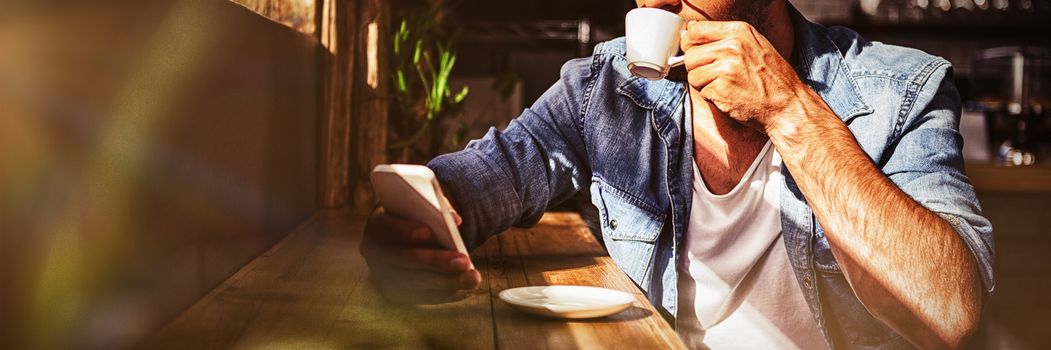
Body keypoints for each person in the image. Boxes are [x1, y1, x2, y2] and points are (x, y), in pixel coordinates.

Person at [360, 0, 994, 348]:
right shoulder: (603, 90)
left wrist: (790, 109)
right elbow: (489, 175)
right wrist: (419, 221)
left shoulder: (901, 89)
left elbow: (949, 313)